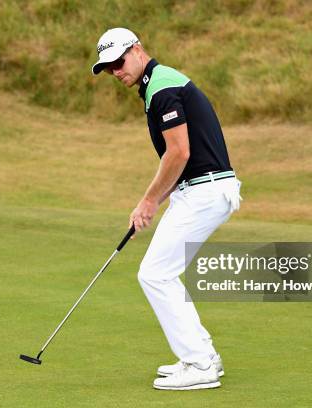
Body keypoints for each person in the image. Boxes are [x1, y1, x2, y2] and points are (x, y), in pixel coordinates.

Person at [91, 28, 242, 391]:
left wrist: (148, 200)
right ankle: (203, 355)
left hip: (206, 191)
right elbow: (178, 162)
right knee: (160, 273)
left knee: (155, 274)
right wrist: (153, 202)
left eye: (119, 62)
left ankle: (200, 363)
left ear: (137, 50)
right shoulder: (157, 85)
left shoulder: (162, 88)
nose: (116, 71)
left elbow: (179, 153)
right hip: (199, 190)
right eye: (108, 68)